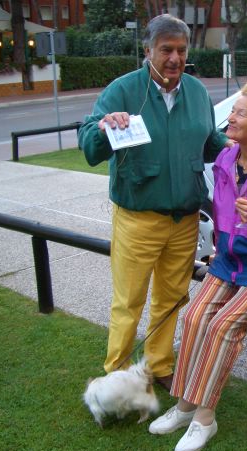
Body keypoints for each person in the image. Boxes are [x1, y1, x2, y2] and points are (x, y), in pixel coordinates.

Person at [148, 79, 247, 451]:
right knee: (194, 318)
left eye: (241, 113)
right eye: (233, 110)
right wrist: (220, 249)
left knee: (222, 326)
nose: (231, 117)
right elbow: (223, 216)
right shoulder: (226, 160)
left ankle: (205, 417)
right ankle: (184, 406)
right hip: (228, 262)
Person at [77, 14, 229, 391]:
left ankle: (160, 365)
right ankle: (117, 375)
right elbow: (89, 146)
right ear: (148, 51)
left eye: (181, 50)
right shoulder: (123, 90)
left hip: (185, 220)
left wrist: (240, 148)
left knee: (172, 298)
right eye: (166, 50)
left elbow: (211, 143)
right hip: (138, 219)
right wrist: (103, 127)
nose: (175, 58)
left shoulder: (197, 93)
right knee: (129, 301)